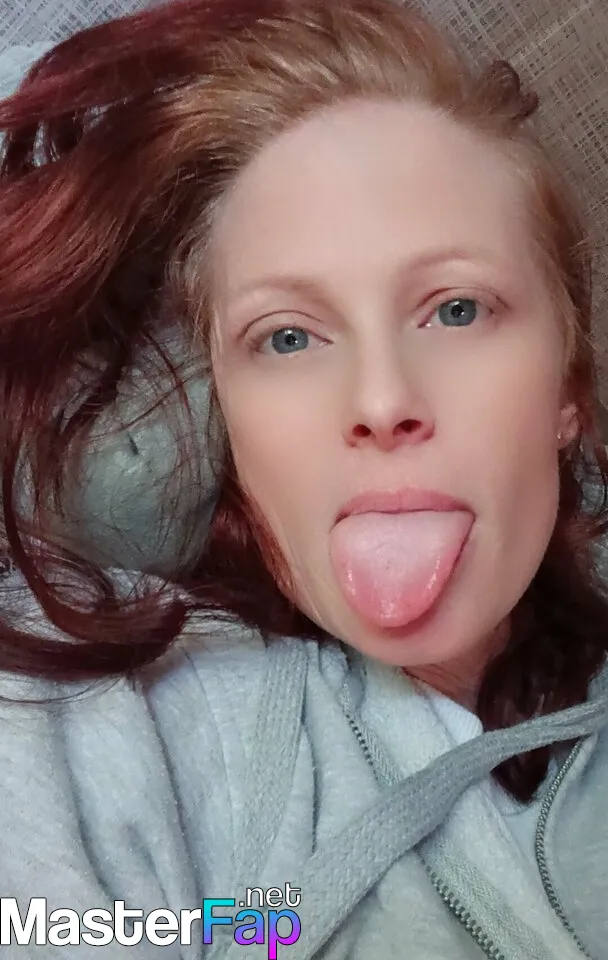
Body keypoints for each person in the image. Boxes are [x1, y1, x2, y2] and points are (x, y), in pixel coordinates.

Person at [0, 0, 607, 957]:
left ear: (568, 388)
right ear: (224, 421)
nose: (382, 398)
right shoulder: (105, 718)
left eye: (455, 310)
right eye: (287, 337)